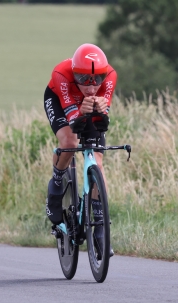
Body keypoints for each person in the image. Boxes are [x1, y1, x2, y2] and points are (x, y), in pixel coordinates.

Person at [43, 43, 117, 256]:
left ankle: (100, 228)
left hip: (88, 108)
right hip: (60, 102)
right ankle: (56, 185)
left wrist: (102, 111)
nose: (91, 87)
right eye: (84, 80)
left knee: (98, 162)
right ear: (75, 74)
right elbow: (75, 123)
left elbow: (102, 123)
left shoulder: (110, 76)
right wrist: (79, 111)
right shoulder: (61, 74)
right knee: (70, 142)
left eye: (97, 80)